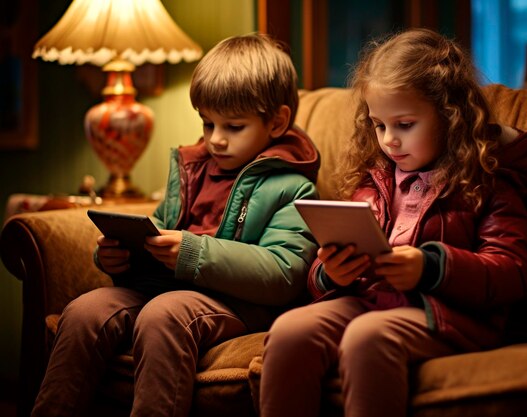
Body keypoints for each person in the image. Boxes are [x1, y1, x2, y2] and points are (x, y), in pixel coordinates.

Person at [31, 33, 320, 417]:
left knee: (164, 313)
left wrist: (192, 251)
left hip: (236, 302)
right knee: (85, 310)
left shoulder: (293, 186)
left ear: (277, 122)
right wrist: (120, 258)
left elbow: (285, 274)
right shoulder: (191, 167)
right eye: (207, 123)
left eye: (234, 127)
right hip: (165, 287)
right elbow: (161, 230)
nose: (216, 140)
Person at [260, 28, 527, 417]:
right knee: (290, 331)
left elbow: (513, 271)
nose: (389, 140)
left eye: (404, 125)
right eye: (379, 125)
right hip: (370, 301)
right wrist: (329, 273)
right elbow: (331, 260)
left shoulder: (487, 179)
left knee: (366, 338)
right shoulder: (376, 177)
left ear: (450, 117)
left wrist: (431, 267)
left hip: (448, 315)